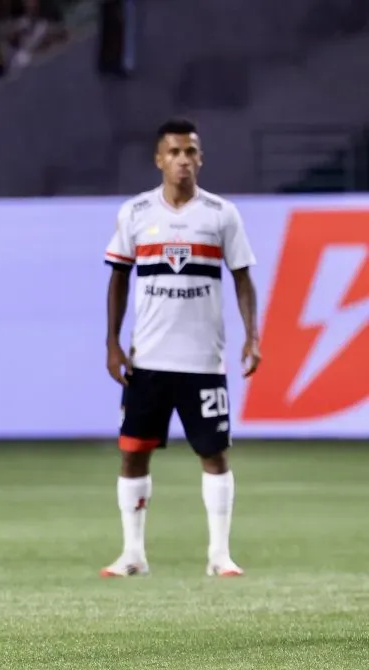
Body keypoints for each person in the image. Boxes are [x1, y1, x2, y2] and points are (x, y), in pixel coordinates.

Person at [102, 118, 260, 579]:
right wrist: (112, 344)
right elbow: (117, 279)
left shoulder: (220, 214)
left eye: (190, 152)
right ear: (159, 159)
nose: (183, 160)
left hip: (203, 360)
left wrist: (253, 335)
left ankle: (219, 555)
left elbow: (243, 277)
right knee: (133, 451)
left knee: (214, 453)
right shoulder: (135, 213)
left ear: (200, 158)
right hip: (147, 358)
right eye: (174, 152)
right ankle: (133, 554)